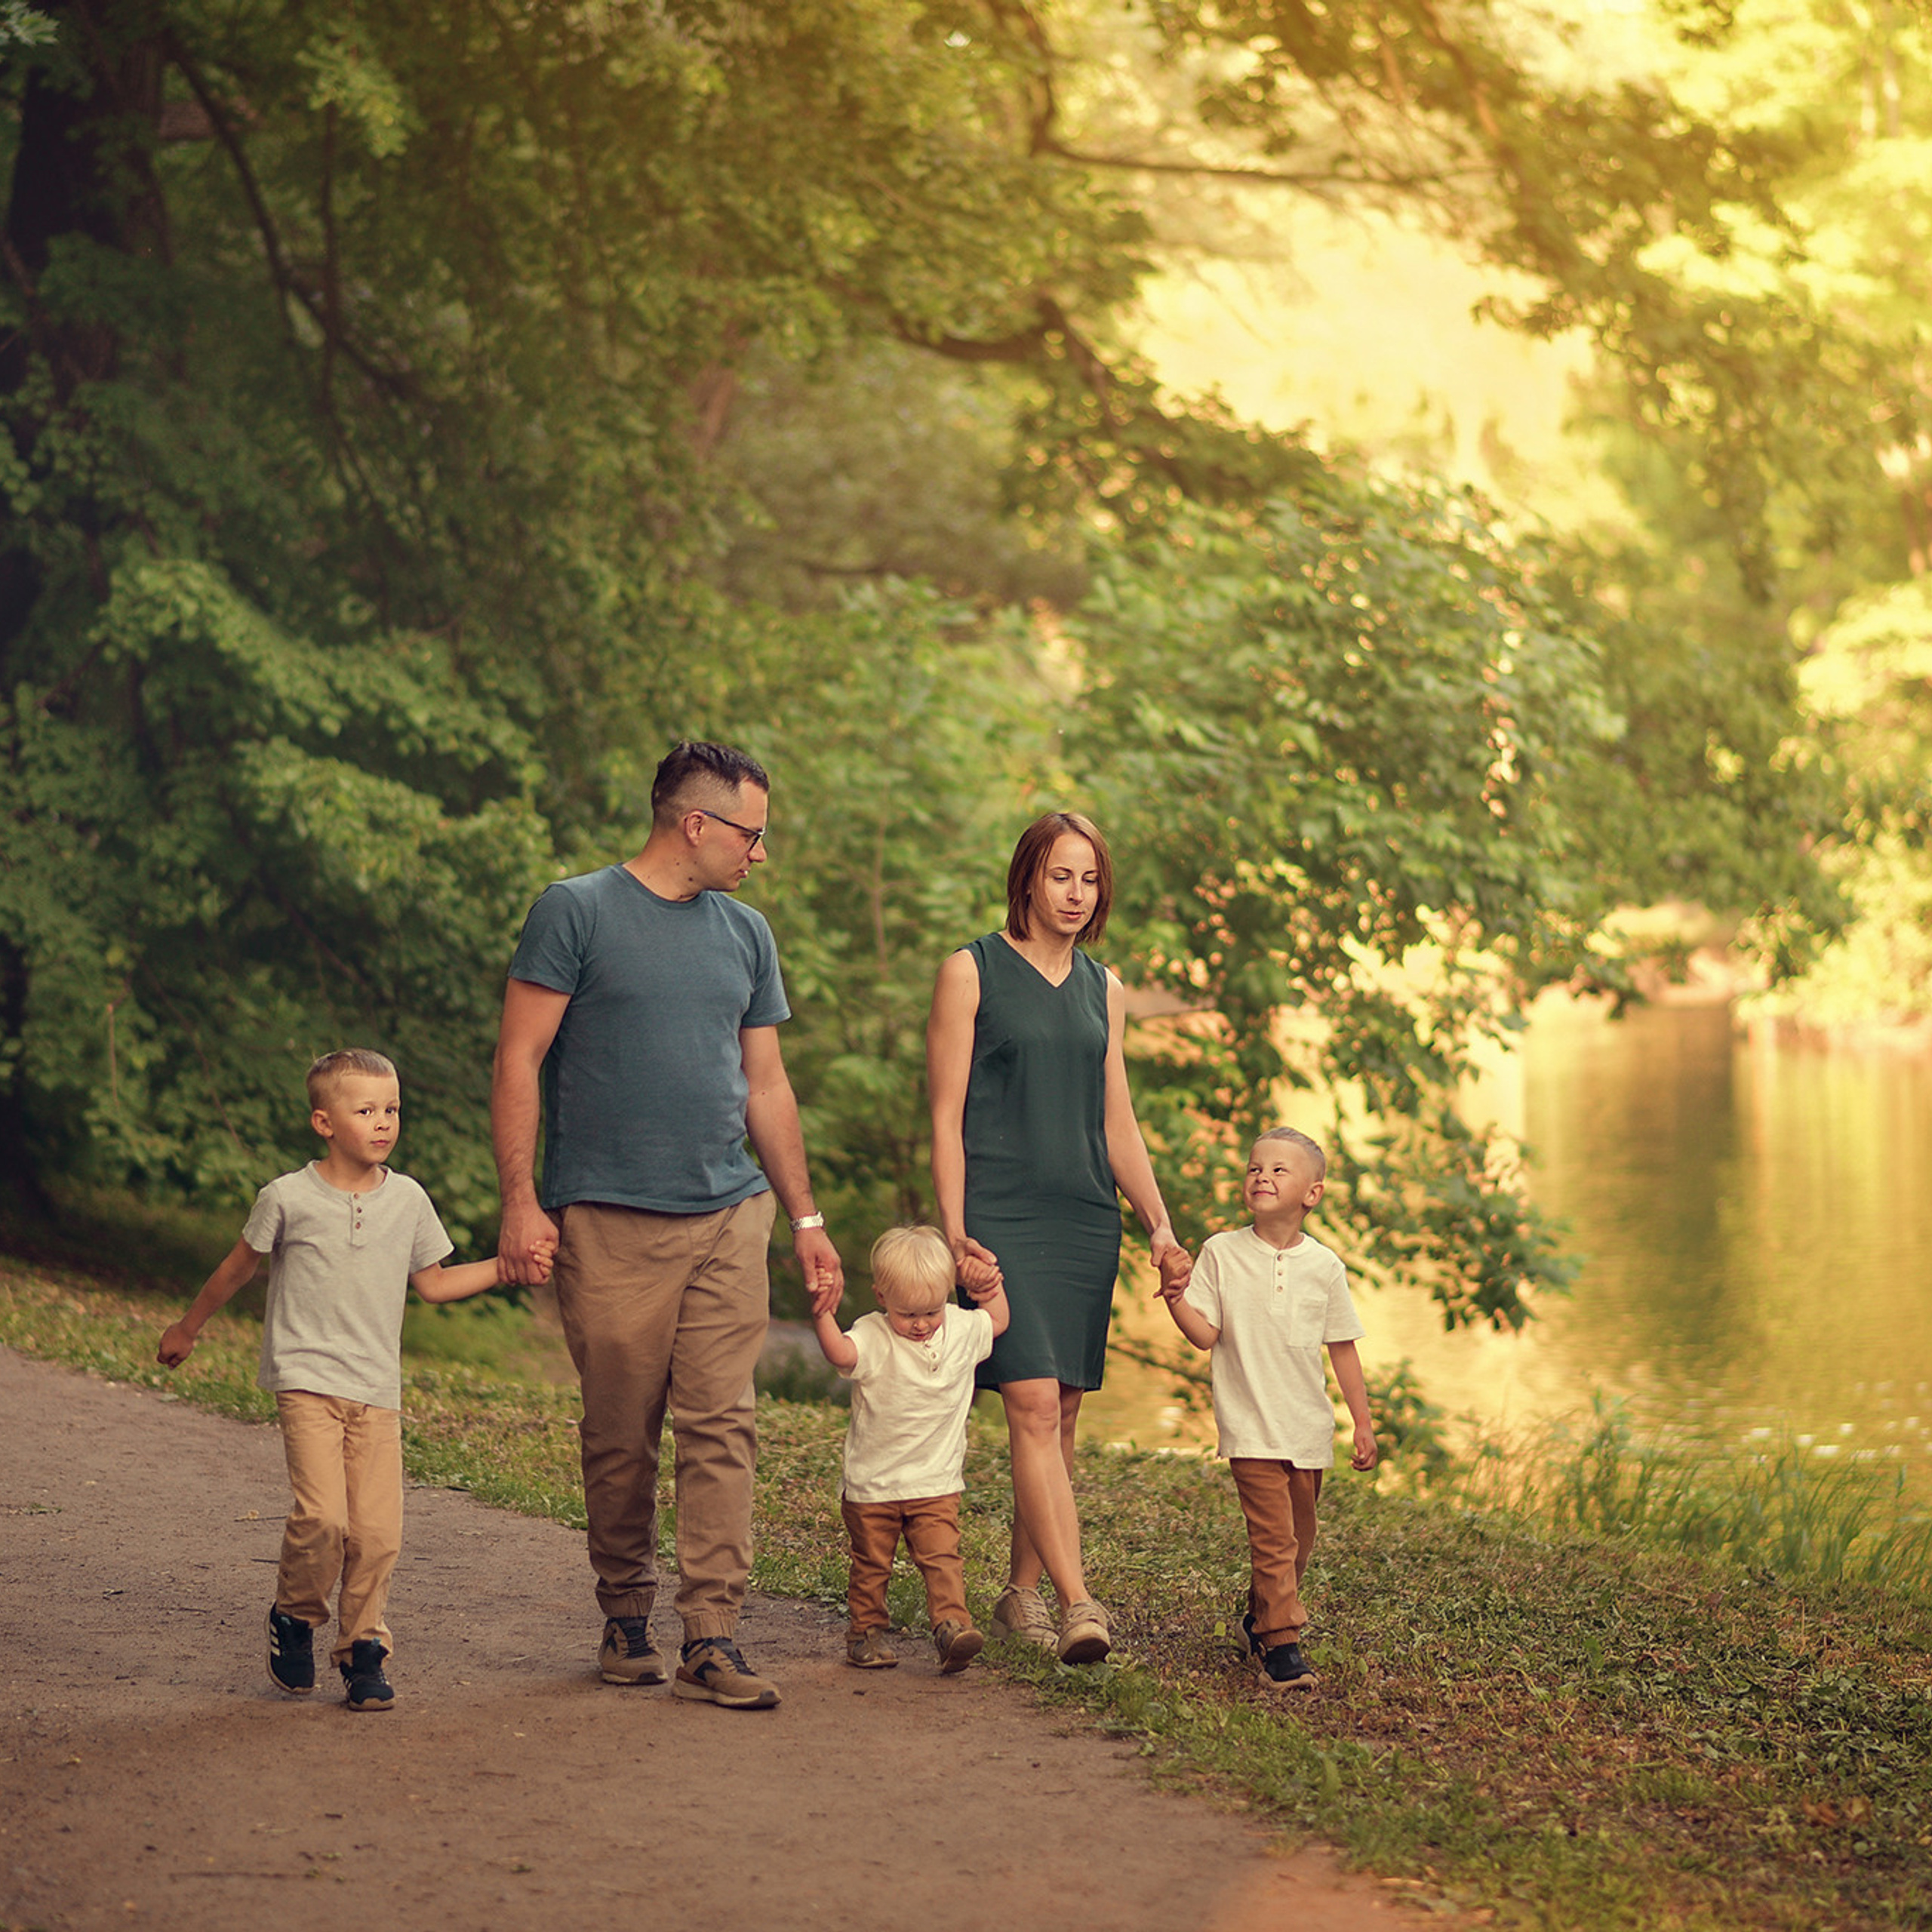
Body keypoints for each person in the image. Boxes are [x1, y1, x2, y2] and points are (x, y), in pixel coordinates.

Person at [492, 740, 844, 1713]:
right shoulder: (576, 911)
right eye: (751, 834)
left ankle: (711, 1633)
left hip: (729, 1212)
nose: (760, 852)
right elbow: (519, 1058)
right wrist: (521, 1200)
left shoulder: (747, 934)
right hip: (608, 1220)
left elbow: (766, 1085)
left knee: (723, 1422)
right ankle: (624, 1614)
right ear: (696, 824)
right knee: (620, 1433)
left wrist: (806, 1217)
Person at [157, 1048, 528, 1712]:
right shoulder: (287, 1197)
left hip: (376, 1389)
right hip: (305, 1379)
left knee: (379, 1533)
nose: (383, 1122)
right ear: (324, 1123)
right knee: (324, 1518)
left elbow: (435, 1284)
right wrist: (188, 1327)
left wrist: (505, 1268)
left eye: (392, 1109)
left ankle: (363, 1650)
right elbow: (238, 1268)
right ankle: (295, 1615)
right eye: (366, 1111)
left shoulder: (408, 1199)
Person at [926, 811, 1190, 1666]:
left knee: (1061, 1415)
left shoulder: (1104, 988)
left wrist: (1158, 1224)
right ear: (1028, 879)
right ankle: (1080, 1603)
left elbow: (1117, 1120)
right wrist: (955, 1231)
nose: (1076, 894)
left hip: (1083, 1216)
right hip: (999, 1215)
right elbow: (944, 1116)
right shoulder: (969, 971)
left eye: (1089, 879)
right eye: (1060, 876)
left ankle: (1021, 1594)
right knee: (1033, 1405)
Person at [1157, 1127, 1379, 1691]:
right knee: (1274, 1540)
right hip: (1250, 1426)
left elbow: (1343, 1347)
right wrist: (1177, 1297)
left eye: (1280, 1170)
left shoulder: (1325, 1266)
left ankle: (1258, 1620)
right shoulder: (1221, 1252)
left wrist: (1362, 1422)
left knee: (1298, 1540)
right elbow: (1204, 1335)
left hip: (1307, 1430)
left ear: (1312, 1194)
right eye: (1256, 1167)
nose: (1263, 1176)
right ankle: (1282, 1646)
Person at [810, 1225, 1010, 1674]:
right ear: (882, 1297)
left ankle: (952, 1628)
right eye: (907, 1314)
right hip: (873, 1486)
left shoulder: (960, 1327)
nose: (920, 1324)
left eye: (931, 1311)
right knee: (872, 1565)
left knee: (943, 1559)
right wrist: (823, 1313)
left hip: (935, 1482)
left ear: (946, 1296)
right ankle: (865, 1635)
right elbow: (841, 1354)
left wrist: (989, 1287)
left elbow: (997, 1321)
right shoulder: (873, 1334)